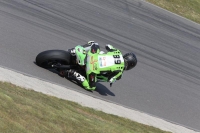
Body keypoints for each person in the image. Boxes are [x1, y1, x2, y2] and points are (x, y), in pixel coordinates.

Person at [61, 41, 137, 91]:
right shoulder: (120, 72)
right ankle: (73, 73)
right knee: (91, 87)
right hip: (93, 69)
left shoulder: (118, 52)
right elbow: (111, 79)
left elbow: (108, 46)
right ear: (129, 67)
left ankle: (73, 50)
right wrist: (112, 80)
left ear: (125, 56)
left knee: (94, 44)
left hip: (92, 56)